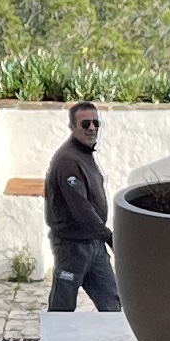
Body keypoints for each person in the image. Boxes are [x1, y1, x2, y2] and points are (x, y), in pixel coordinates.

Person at [43, 99, 120, 312]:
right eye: (85, 124)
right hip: (72, 248)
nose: (92, 128)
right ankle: (58, 336)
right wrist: (109, 237)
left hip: (94, 245)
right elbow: (81, 208)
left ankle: (112, 335)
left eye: (96, 123)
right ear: (72, 127)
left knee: (112, 304)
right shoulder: (68, 162)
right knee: (62, 309)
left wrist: (102, 238)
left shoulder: (84, 154)